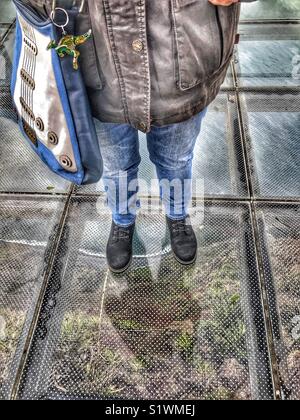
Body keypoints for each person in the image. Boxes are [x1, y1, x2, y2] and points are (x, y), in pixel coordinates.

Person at [29, 0, 256, 273]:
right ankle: (123, 219)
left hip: (182, 60)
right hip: (95, 64)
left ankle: (177, 214)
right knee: (116, 166)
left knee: (176, 160)